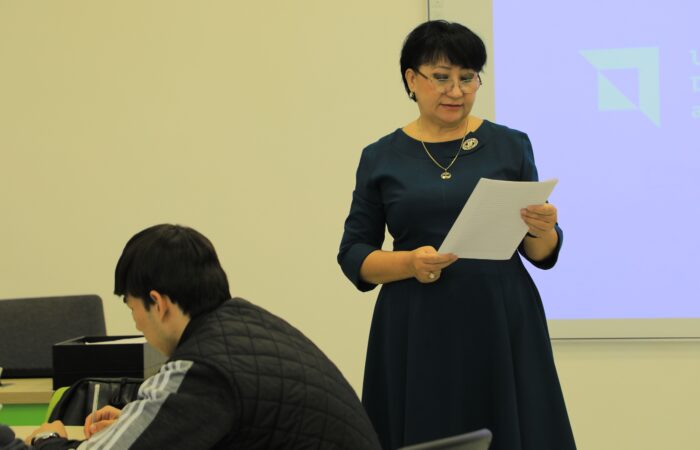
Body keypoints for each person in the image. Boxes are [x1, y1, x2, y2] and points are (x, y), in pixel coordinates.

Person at [338, 20, 576, 450]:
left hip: (500, 317)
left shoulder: (510, 145)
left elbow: (541, 252)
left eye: (468, 78)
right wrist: (409, 263)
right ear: (412, 80)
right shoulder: (380, 157)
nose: (456, 91)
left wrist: (543, 229)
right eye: (441, 77)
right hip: (416, 322)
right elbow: (354, 253)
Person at [25, 224, 382, 450]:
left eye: (133, 309)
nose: (136, 325)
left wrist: (47, 438)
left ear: (158, 304)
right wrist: (142, 424)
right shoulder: (247, 323)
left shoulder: (201, 368)